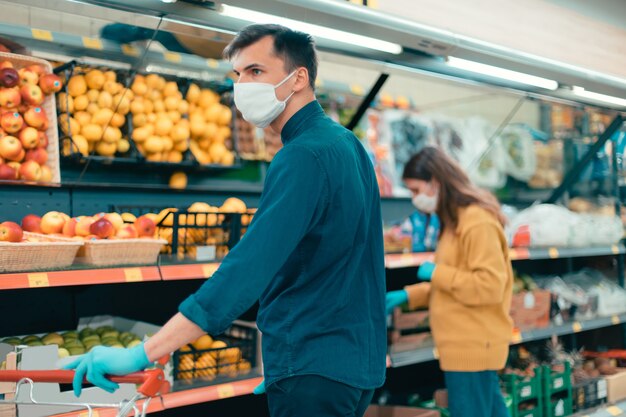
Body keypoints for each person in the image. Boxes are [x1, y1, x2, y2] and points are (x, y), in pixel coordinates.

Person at [64, 24, 387, 417]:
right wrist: (291, 358)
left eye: (255, 72)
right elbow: (349, 259)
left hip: (314, 367)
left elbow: (245, 271)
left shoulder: (301, 155)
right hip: (352, 364)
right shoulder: (347, 144)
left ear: (299, 78)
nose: (242, 86)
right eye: (237, 75)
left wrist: (142, 352)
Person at [386, 147, 513, 417]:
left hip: (473, 346)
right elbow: (457, 282)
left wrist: (436, 273)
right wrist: (409, 295)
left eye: (416, 190)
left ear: (436, 182)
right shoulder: (453, 223)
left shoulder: (476, 222)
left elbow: (488, 286)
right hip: (464, 346)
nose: (414, 198)